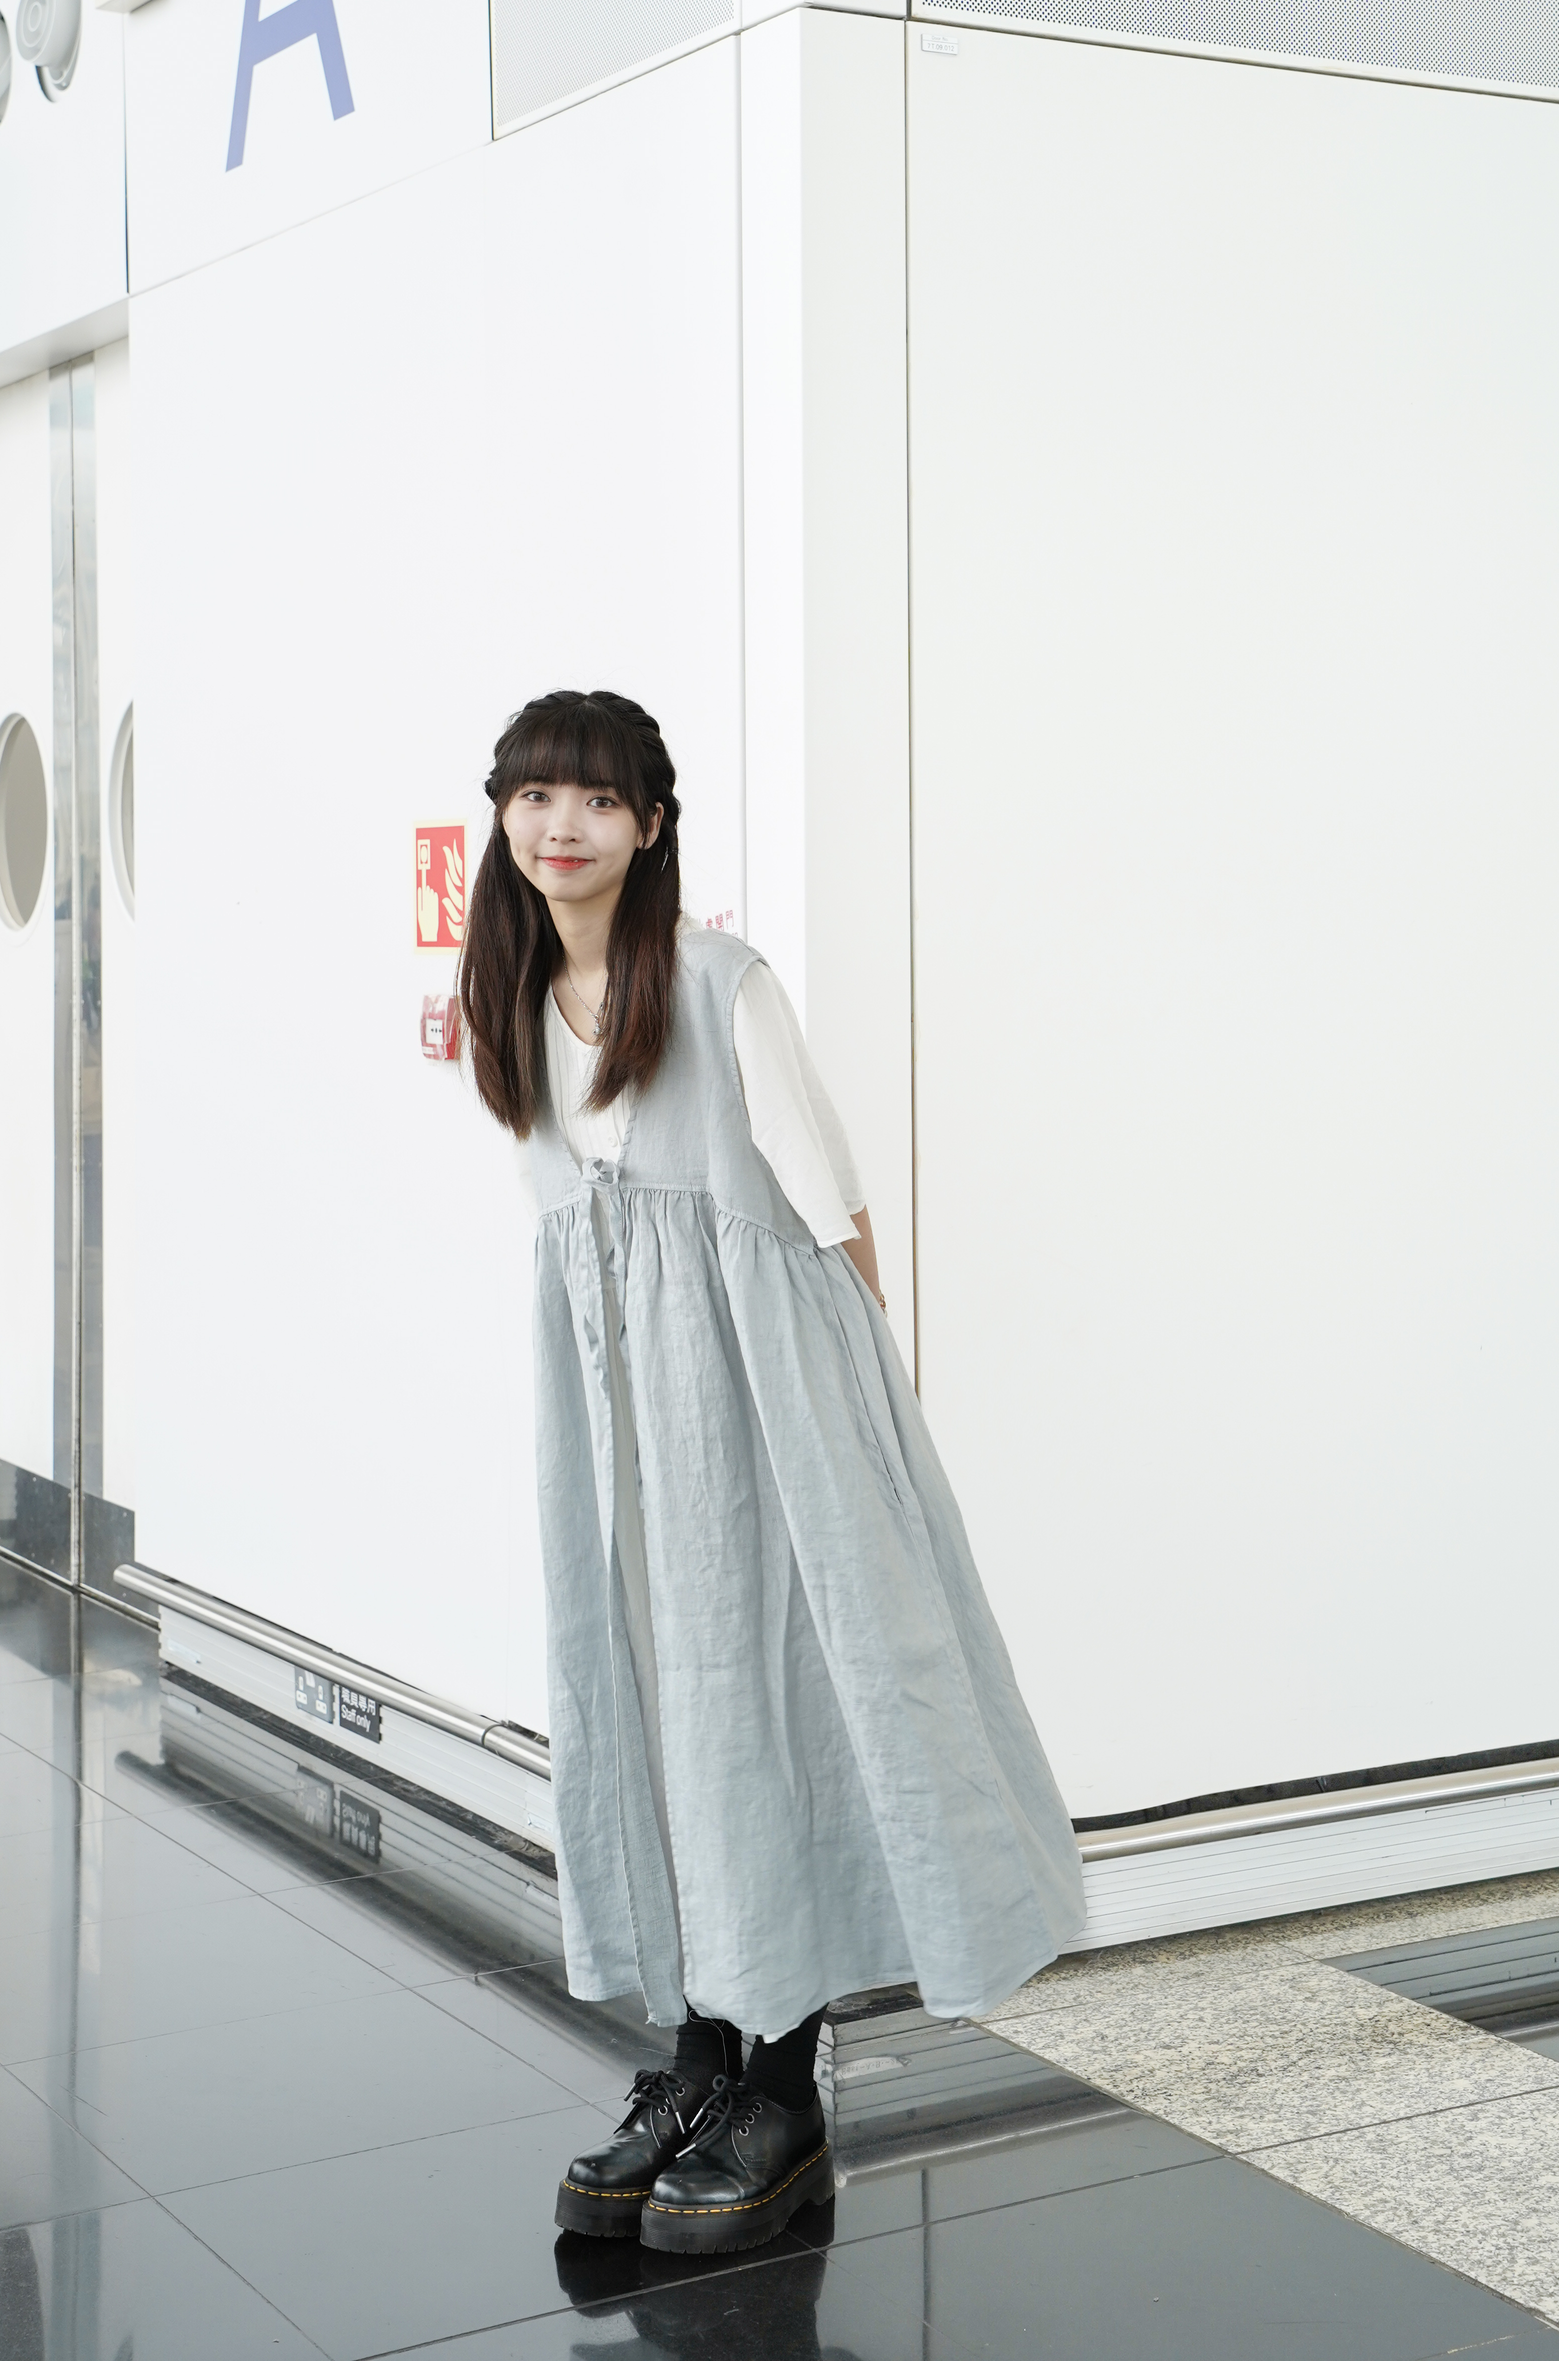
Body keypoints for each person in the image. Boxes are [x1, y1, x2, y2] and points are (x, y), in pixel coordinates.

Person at [459, 690, 1086, 2257]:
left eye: (597, 800)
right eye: (535, 796)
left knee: (773, 1714)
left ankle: (784, 2090)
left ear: (652, 826)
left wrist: (866, 1443)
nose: (561, 825)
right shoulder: (512, 1003)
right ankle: (697, 2062)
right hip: (622, 1433)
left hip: (767, 1411)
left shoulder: (722, 986)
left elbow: (828, 1213)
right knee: (653, 1713)